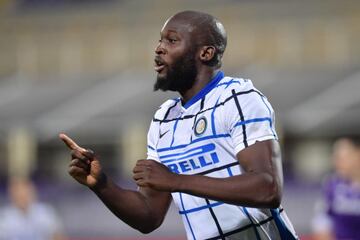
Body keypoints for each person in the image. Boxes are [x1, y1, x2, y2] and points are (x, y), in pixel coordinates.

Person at [59, 10, 298, 240]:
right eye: (160, 40)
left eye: (172, 40)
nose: (158, 48)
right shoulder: (164, 119)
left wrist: (176, 180)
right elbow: (149, 216)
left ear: (205, 53)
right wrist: (101, 184)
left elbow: (268, 188)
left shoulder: (239, 98)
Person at [312, 137, 360, 240]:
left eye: (343, 158)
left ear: (357, 155)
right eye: (335, 158)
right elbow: (322, 222)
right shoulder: (332, 185)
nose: (337, 163)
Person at [0, 178, 66, 240]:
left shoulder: (45, 212)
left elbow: (58, 236)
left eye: (26, 193)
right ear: (12, 196)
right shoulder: (4, 216)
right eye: (19, 195)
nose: (23, 198)